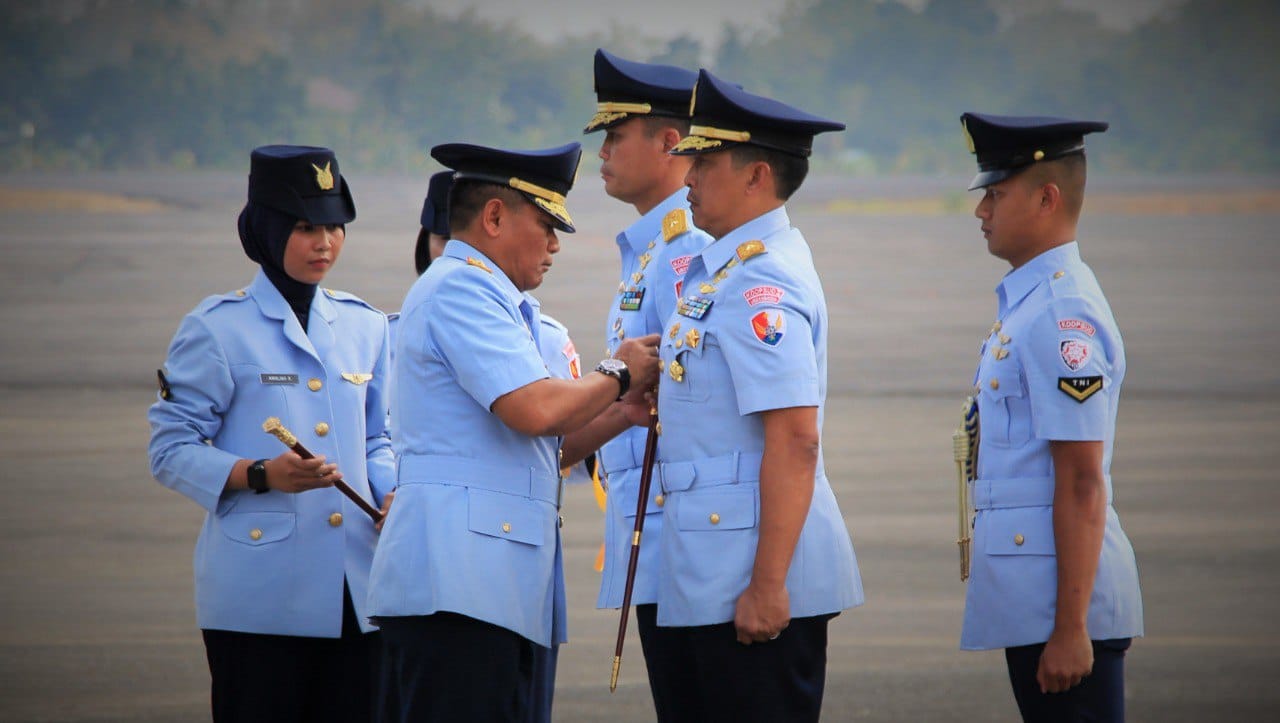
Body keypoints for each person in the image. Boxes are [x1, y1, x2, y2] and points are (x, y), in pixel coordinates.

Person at [368, 141, 661, 722]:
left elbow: (540, 449)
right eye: (547, 225)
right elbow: (534, 410)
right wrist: (619, 371)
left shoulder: (501, 302)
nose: (555, 245)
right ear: (495, 217)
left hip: (490, 588)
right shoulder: (461, 289)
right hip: (457, 590)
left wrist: (619, 412)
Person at [148, 144, 395, 723]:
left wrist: (392, 494)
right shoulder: (216, 329)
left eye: (335, 227)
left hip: (360, 593)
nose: (325, 244)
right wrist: (261, 474)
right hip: (259, 602)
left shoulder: (365, 324)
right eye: (308, 228)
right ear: (267, 228)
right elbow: (170, 450)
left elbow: (379, 439)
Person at [647, 69, 863, 722]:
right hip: (714, 568)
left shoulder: (761, 283)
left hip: (752, 578)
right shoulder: (730, 272)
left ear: (755, 176)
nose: (686, 179)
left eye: (704, 163)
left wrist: (768, 585)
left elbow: (795, 438)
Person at [957, 112, 1144, 722]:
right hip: (1037, 600)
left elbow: (1082, 480)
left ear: (1047, 197)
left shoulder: (1061, 313)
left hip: (1065, 612)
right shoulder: (1031, 302)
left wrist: (1071, 628)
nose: (982, 210)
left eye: (996, 193)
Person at [582, 47, 713, 700]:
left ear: (670, 140)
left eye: (615, 134)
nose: (602, 151)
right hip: (657, 528)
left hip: (683, 533)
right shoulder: (653, 248)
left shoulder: (686, 245)